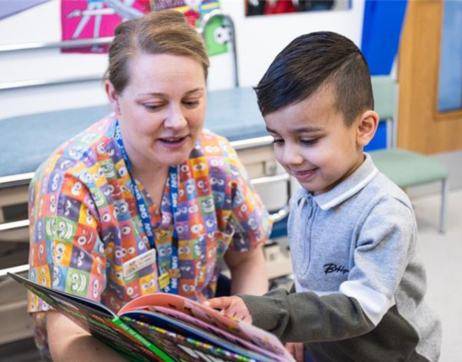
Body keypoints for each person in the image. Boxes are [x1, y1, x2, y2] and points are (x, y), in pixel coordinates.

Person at [27, 10, 271, 362]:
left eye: (192, 101)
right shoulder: (71, 185)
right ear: (114, 95)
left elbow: (248, 260)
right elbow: (68, 342)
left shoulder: (217, 161)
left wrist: (247, 336)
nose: (177, 122)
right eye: (154, 105)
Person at [206, 31, 442, 362]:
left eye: (308, 140)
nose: (289, 157)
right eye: (277, 139)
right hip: (330, 347)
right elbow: (312, 287)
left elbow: (358, 308)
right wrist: (295, 329)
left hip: (392, 355)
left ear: (363, 128)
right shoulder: (306, 196)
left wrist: (276, 314)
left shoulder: (385, 213)